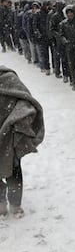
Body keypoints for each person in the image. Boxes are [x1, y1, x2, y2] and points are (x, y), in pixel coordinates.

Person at [0, 66, 45, 218]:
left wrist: (18, 120)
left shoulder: (8, 78)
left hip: (10, 136)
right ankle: (0, 203)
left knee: (13, 167)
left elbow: (26, 102)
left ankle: (15, 204)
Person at [49, 0, 68, 81]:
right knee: (59, 57)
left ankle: (66, 73)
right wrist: (58, 36)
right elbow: (51, 29)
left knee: (65, 58)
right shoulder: (55, 16)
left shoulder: (64, 15)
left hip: (64, 39)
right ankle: (58, 72)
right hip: (58, 41)